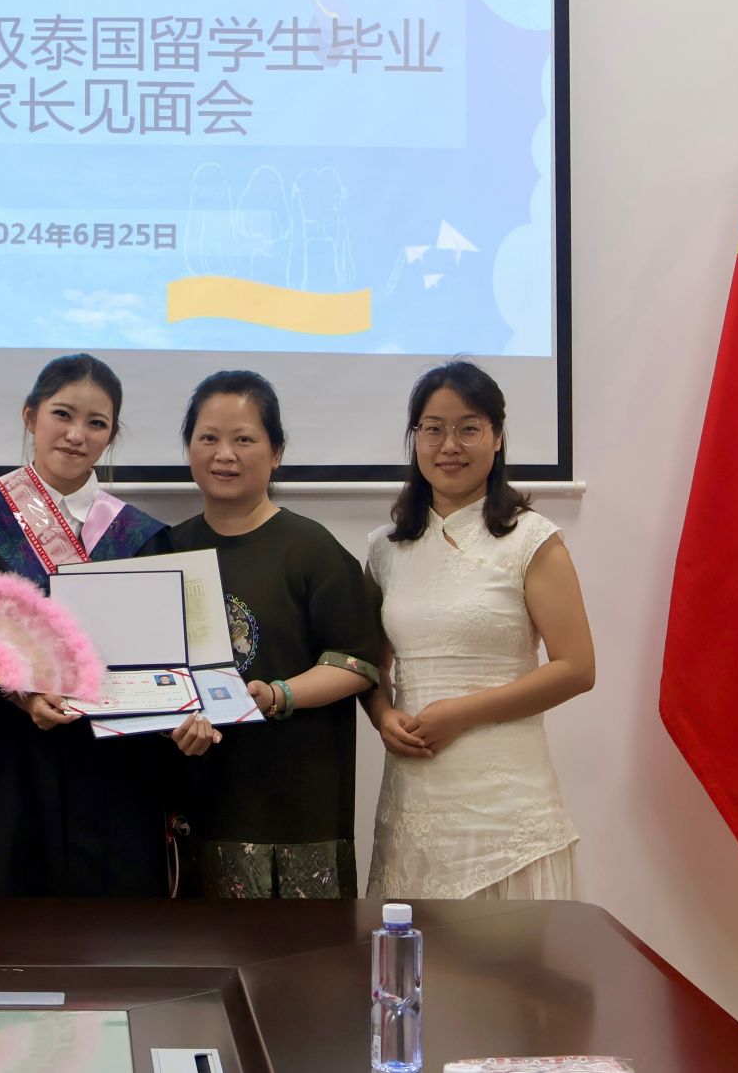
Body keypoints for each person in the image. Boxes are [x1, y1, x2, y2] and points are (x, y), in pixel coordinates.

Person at [0, 354, 199, 896]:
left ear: (110, 436)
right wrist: (22, 692)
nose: (77, 435)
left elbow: (158, 654)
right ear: (30, 416)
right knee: (18, 919)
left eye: (96, 423)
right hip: (19, 759)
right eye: (62, 414)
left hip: (118, 768)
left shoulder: (139, 536)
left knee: (116, 928)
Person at [364, 361, 596, 900]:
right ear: (415, 438)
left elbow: (577, 668)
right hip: (413, 799)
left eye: (468, 428)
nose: (449, 445)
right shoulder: (383, 548)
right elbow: (371, 664)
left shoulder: (532, 539)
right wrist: (381, 715)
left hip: (506, 812)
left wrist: (461, 713)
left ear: (497, 437)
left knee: (510, 955)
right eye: (433, 429)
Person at [168, 370, 384, 900]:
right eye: (208, 438)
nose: (225, 454)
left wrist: (276, 694)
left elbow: (356, 662)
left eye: (244, 439)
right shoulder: (165, 550)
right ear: (189, 447)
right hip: (197, 803)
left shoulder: (313, 550)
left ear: (277, 452)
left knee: (306, 953)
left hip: (297, 808)